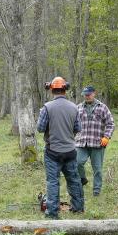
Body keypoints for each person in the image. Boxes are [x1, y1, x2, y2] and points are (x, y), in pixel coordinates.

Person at [37, 77, 84, 219]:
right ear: (65, 89)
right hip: (70, 151)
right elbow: (78, 128)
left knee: (53, 182)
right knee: (74, 180)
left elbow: (40, 128)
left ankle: (52, 212)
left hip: (53, 152)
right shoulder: (74, 107)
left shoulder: (47, 107)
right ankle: (78, 207)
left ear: (52, 90)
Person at [75, 86, 115, 196]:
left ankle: (96, 191)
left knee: (97, 169)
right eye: (85, 94)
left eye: (89, 94)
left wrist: (106, 137)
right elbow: (73, 125)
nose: (87, 96)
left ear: (94, 94)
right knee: (77, 163)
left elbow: (111, 124)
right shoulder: (78, 108)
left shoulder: (102, 107)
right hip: (81, 142)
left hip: (97, 143)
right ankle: (82, 179)